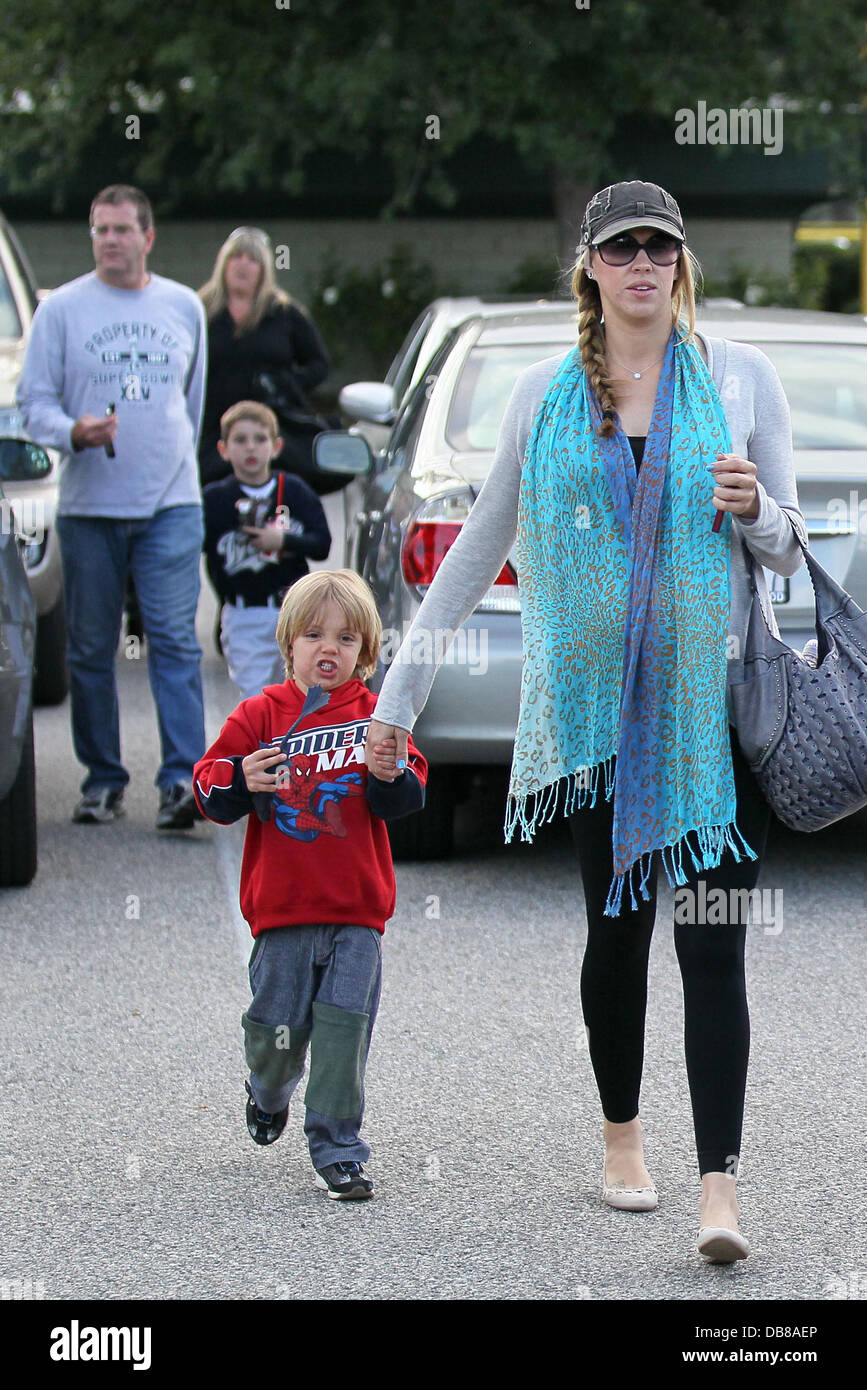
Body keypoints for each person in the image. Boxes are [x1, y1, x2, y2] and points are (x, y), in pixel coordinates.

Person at [365, 181, 807, 1262]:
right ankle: (621, 1137)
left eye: (661, 246)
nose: (644, 263)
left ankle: (720, 1192)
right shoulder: (542, 393)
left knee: (714, 950)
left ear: (682, 265)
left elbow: (791, 561)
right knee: (615, 939)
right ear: (593, 270)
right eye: (624, 249)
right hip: (595, 723)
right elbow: (475, 553)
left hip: (713, 721)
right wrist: (395, 701)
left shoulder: (743, 381)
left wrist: (757, 515)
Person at [193, 569, 427, 1199]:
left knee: (345, 1033)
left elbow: (406, 796)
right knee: (277, 1034)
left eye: (348, 639)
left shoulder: (379, 717)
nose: (330, 648)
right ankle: (266, 1091)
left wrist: (390, 772)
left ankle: (338, 1147)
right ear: (289, 642)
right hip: (283, 911)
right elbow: (209, 788)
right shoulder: (259, 715)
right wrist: (242, 779)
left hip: (356, 912)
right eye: (315, 635)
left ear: (367, 654)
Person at [17, 184, 208, 831]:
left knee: (175, 643)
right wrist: (76, 432)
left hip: (171, 503)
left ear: (148, 237)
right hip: (90, 506)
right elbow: (32, 403)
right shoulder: (62, 310)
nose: (110, 240)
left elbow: (193, 403)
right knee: (91, 649)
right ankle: (103, 780)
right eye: (100, 229)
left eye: (123, 229)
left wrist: (173, 464)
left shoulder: (183, 306)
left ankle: (183, 780)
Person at [203, 400, 332, 700]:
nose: (251, 448)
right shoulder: (215, 499)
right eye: (240, 440)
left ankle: (289, 747)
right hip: (244, 611)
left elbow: (322, 544)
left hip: (293, 612)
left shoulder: (295, 491)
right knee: (256, 699)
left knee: (297, 695)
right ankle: (261, 747)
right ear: (223, 449)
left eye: (260, 439)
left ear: (276, 447)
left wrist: (284, 542)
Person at [197, 227, 332, 490]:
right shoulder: (199, 310)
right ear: (224, 263)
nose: (243, 265)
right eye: (237, 257)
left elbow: (319, 365)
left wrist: (285, 384)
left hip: (271, 427)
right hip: (212, 429)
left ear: (264, 269)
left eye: (253, 259)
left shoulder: (284, 313)